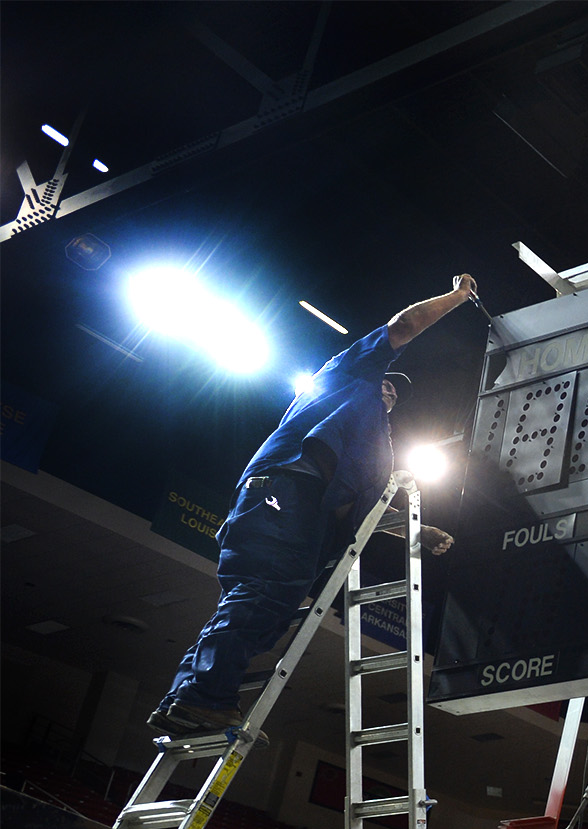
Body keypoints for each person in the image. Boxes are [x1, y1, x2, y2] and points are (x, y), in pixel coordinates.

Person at [147, 276, 478, 736]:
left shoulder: (373, 447)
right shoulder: (347, 376)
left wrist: (415, 531)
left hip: (298, 515)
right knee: (261, 598)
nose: (389, 393)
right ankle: (203, 698)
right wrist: (457, 297)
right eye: (386, 385)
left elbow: (365, 508)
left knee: (262, 612)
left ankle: (189, 699)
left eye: (393, 396)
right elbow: (403, 326)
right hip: (286, 499)